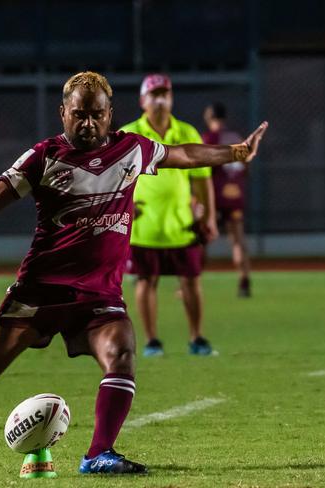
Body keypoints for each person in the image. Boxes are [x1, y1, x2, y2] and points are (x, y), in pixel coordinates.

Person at [0, 71, 268, 475]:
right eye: (79, 114)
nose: (88, 123)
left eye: (96, 114)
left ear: (111, 115)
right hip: (40, 291)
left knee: (122, 354)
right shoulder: (43, 157)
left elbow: (183, 155)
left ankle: (98, 454)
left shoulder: (133, 150)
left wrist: (234, 152)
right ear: (63, 113)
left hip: (99, 295)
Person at [120, 74, 218, 357]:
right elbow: (114, 179)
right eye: (154, 94)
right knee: (145, 281)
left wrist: (209, 217)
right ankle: (152, 341)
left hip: (181, 224)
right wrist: (122, 207)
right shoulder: (129, 135)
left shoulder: (187, 132)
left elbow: (202, 178)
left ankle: (197, 338)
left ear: (172, 98)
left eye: (165, 94)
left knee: (190, 281)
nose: (160, 100)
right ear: (142, 100)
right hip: (143, 226)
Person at [202, 102, 252, 297]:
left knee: (202, 238)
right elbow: (246, 166)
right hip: (235, 195)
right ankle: (244, 281)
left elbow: (202, 168)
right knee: (238, 240)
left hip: (215, 196)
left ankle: (190, 281)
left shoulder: (209, 138)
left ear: (209, 117)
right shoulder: (237, 139)